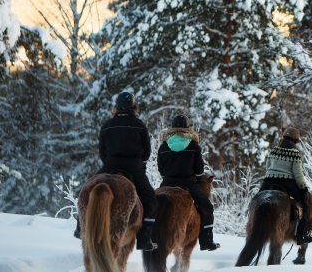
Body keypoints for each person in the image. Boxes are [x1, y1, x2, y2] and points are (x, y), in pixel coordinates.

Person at [74, 92, 158, 252]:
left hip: (110, 166)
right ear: (133, 107)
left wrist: (110, 163)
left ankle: (80, 227)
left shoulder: (107, 125)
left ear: (117, 108)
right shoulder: (139, 125)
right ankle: (144, 239)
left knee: (85, 190)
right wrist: (139, 163)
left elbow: (102, 152)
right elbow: (147, 152)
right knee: (150, 200)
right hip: (134, 167)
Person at [157, 114, 220, 251]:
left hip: (167, 183)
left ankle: (148, 238)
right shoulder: (193, 146)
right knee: (207, 207)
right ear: (187, 128)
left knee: (151, 206)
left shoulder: (163, 146)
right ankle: (206, 242)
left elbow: (161, 170)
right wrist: (197, 179)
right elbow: (199, 171)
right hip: (188, 183)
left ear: (172, 128)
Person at [259, 126, 312, 244]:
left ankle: (252, 224)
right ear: (295, 141)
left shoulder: (273, 150)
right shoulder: (294, 153)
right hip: (287, 183)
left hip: (268, 181)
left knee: (256, 201)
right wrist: (303, 188)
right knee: (306, 206)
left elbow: (267, 168)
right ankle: (301, 236)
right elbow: (298, 174)